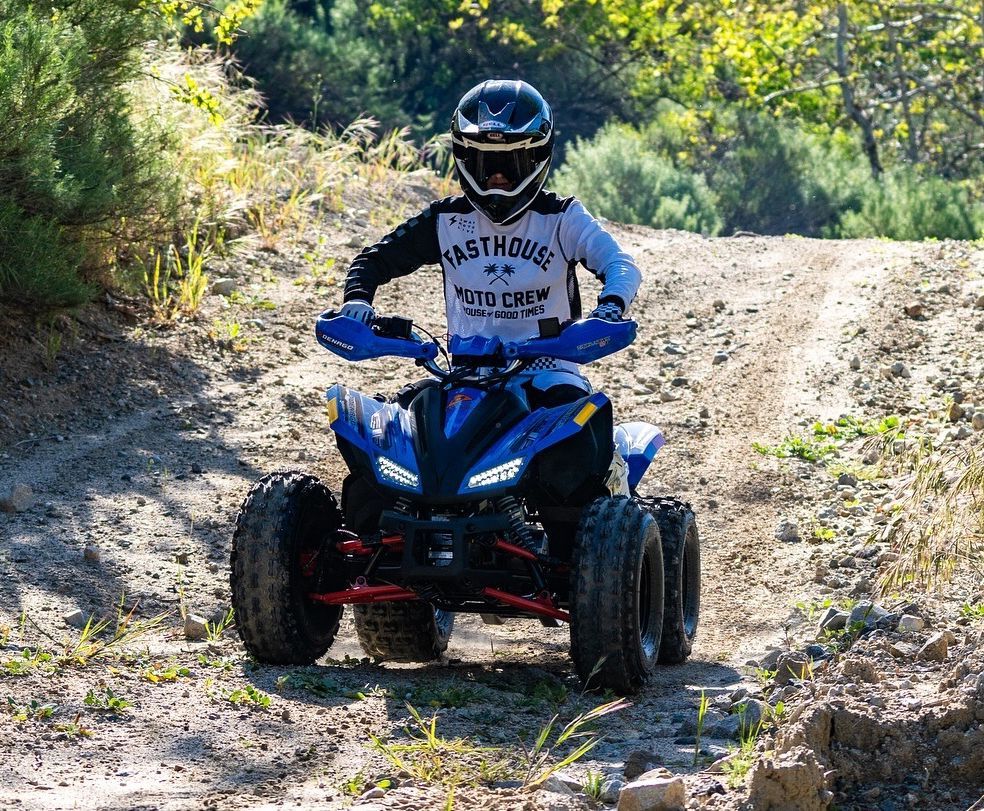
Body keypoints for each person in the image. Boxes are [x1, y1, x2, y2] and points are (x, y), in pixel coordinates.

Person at [339, 79, 641, 427]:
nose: (497, 176)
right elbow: (373, 260)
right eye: (485, 162)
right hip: (465, 376)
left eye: (511, 163)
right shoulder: (445, 219)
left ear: (537, 157)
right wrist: (358, 300)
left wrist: (610, 308)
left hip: (549, 372)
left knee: (583, 431)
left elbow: (621, 265)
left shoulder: (561, 218)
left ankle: (612, 476)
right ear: (464, 157)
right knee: (385, 427)